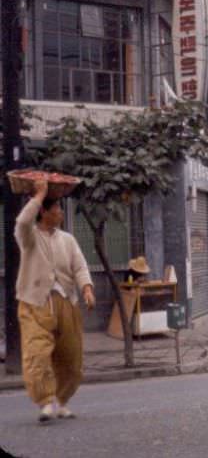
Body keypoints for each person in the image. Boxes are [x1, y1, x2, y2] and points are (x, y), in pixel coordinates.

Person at [16, 179, 95, 423]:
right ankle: (45, 402)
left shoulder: (67, 240)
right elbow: (22, 221)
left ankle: (61, 402)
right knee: (37, 353)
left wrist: (87, 288)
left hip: (66, 302)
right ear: (44, 213)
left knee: (71, 356)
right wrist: (38, 196)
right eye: (57, 209)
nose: (61, 213)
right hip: (35, 303)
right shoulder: (29, 237)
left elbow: (79, 266)